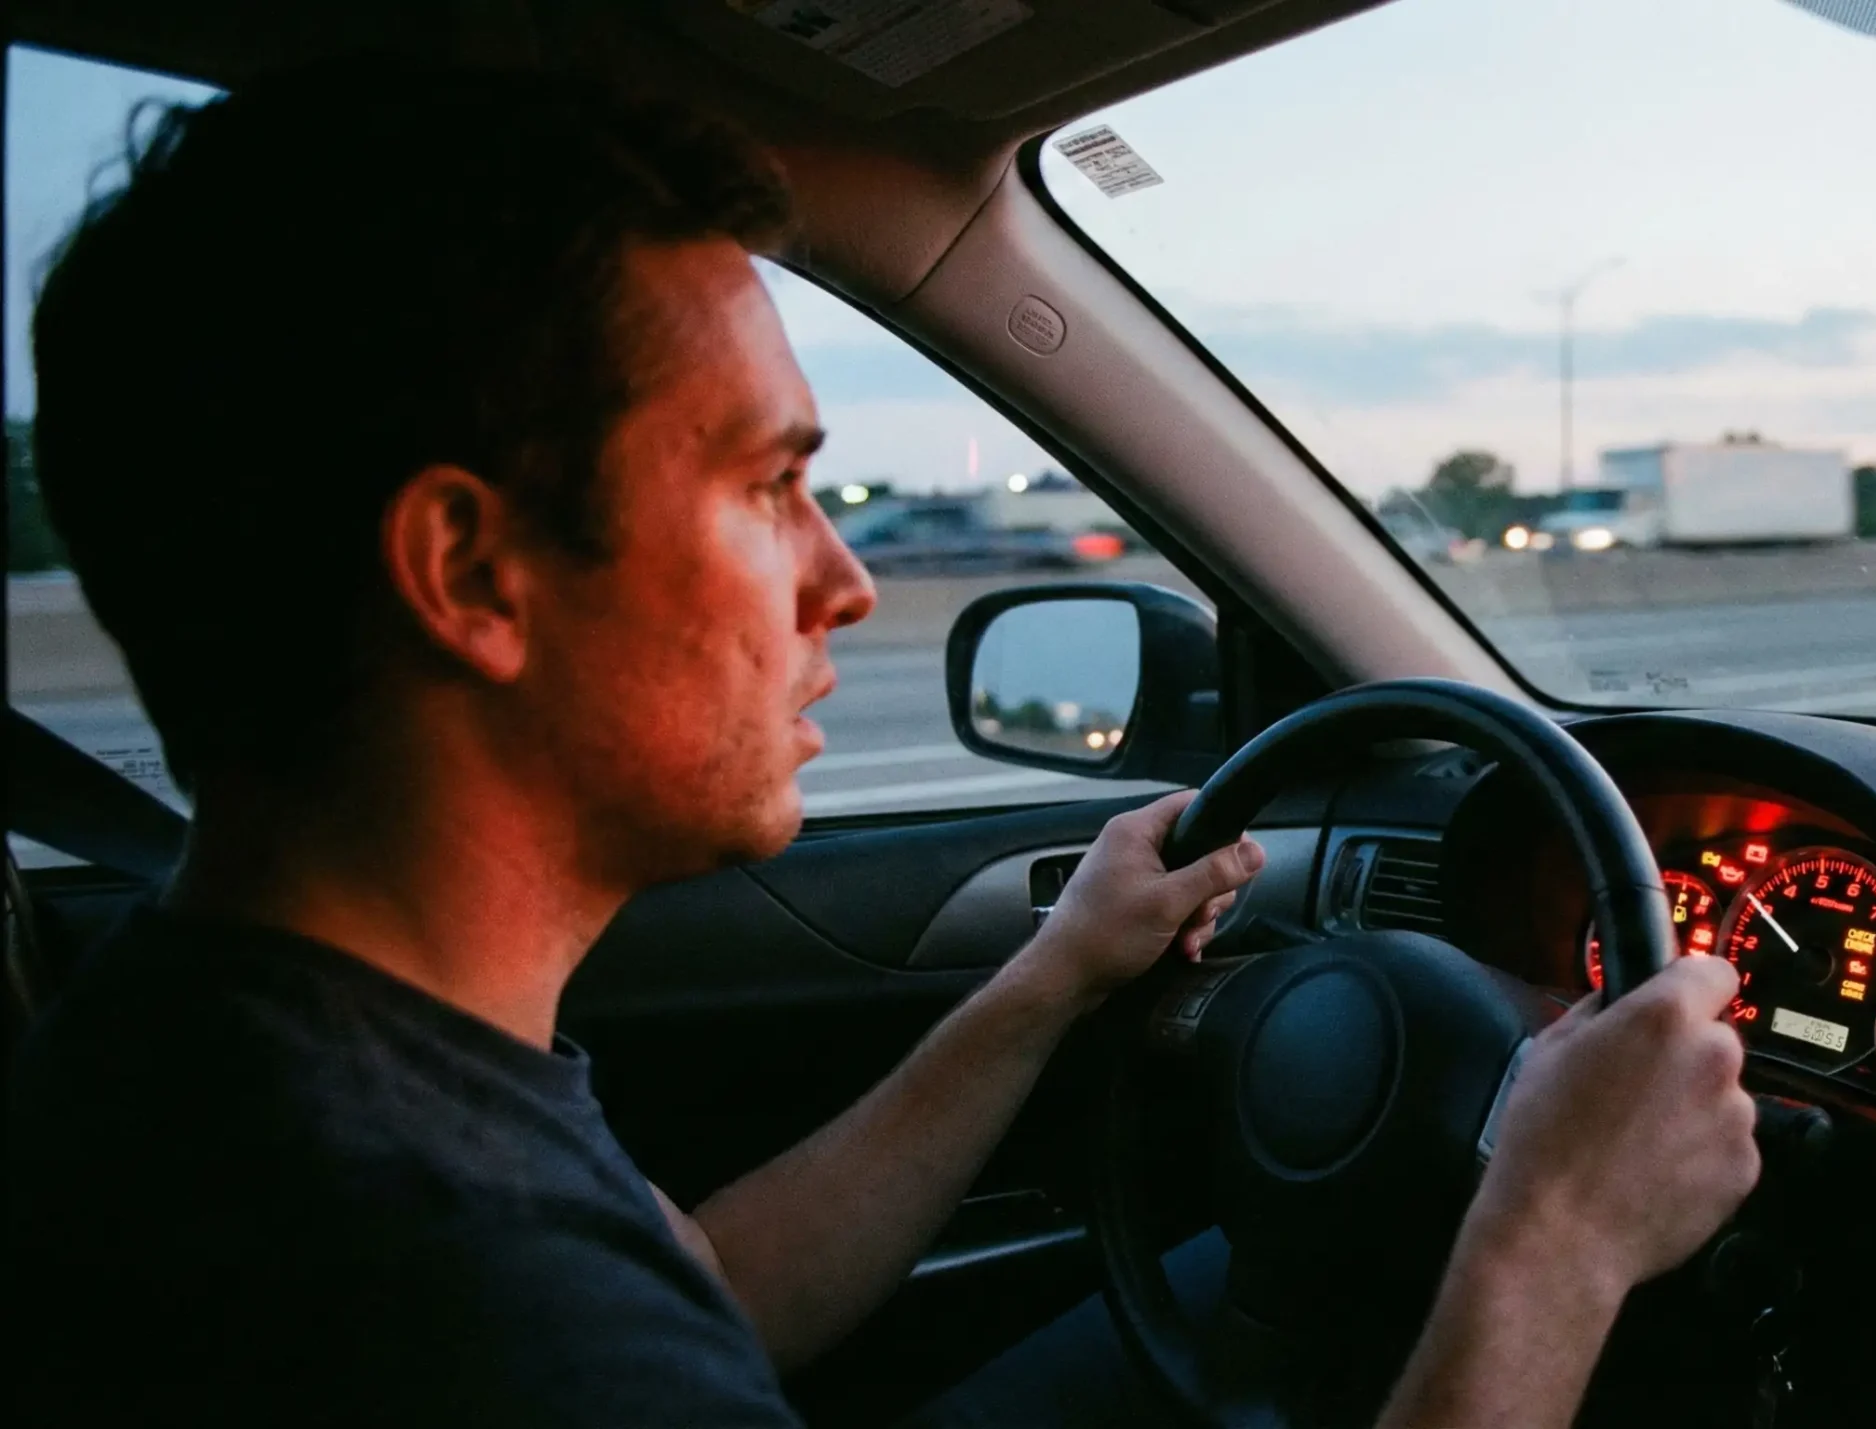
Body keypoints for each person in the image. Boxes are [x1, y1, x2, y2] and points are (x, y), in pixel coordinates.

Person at [3, 65, 1759, 1427]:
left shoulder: (251, 1059)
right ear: (471, 570)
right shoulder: (438, 1304)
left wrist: (1050, 986)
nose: (844, 582)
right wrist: (1555, 1246)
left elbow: (693, 1288)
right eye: (771, 484)